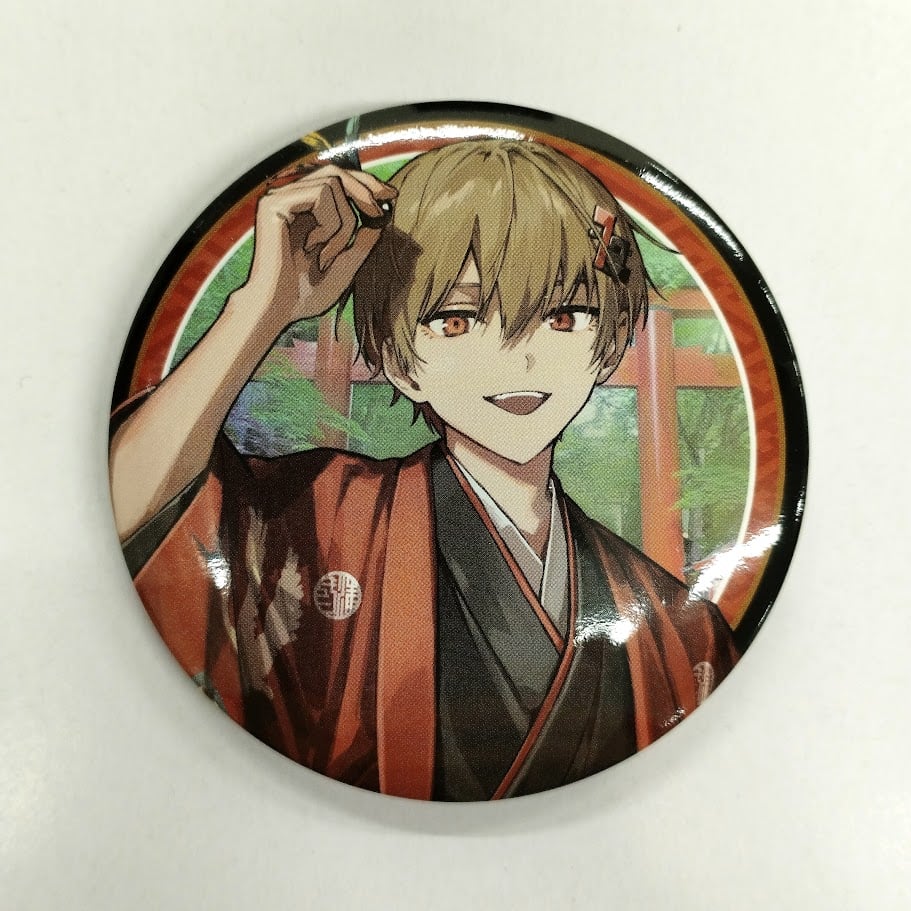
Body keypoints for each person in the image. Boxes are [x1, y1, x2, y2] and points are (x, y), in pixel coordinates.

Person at [109, 139, 739, 801]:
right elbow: (129, 506)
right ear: (398, 360)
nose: (516, 356)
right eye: (457, 319)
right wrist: (262, 307)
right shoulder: (322, 514)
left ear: (605, 345)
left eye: (561, 316)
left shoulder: (675, 625)